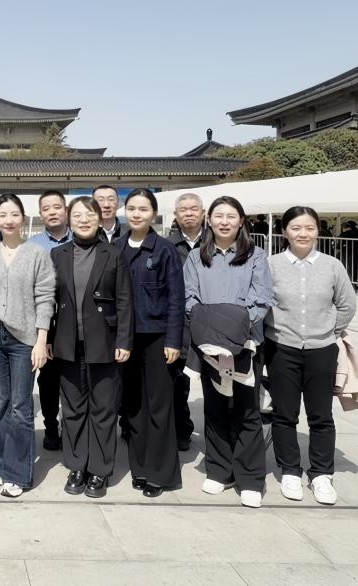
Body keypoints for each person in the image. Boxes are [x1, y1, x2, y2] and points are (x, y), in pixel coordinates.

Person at [184, 195, 274, 508]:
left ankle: (250, 478)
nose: (224, 221)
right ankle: (220, 470)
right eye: (218, 215)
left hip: (246, 345)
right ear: (209, 220)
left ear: (241, 221)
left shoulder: (256, 256)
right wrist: (213, 333)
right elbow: (190, 298)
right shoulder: (196, 256)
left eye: (231, 216)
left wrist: (232, 331)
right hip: (209, 347)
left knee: (247, 410)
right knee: (216, 408)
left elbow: (261, 299)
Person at [265, 206, 356, 506]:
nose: (302, 234)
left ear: (318, 230)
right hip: (281, 348)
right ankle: (290, 470)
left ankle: (321, 474)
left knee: (321, 415)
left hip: (321, 349)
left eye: (309, 228)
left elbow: (347, 304)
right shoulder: (271, 265)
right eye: (295, 228)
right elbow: (263, 303)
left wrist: (329, 331)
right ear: (284, 232)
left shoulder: (332, 266)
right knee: (284, 414)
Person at [50, 196, 134, 499]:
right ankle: (76, 466)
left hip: (105, 343)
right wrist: (48, 339)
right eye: (77, 215)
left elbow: (125, 300)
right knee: (72, 408)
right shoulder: (58, 254)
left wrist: (124, 340)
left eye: (90, 214)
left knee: (103, 409)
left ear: (100, 218)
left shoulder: (113, 254)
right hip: (67, 343)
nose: (84, 220)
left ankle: (99, 469)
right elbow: (48, 300)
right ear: (69, 220)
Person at [0, 194, 55, 498]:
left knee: (21, 407)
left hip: (24, 338)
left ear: (23, 218)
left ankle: (19, 473)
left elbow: (45, 298)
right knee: (0, 403)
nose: (9, 220)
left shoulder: (37, 254)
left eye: (14, 214)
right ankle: (2, 464)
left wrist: (41, 340)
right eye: (3, 215)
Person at [115, 189, 184, 498]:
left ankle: (160, 473)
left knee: (159, 405)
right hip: (125, 339)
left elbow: (176, 298)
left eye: (143, 209)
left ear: (154, 214)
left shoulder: (165, 249)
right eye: (132, 208)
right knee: (133, 406)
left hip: (158, 338)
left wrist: (173, 339)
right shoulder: (116, 248)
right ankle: (140, 468)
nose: (136, 214)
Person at [28, 190, 71, 452]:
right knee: (48, 380)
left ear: (66, 210)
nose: (52, 212)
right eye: (46, 208)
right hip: (46, 324)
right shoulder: (32, 245)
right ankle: (51, 427)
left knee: (74, 383)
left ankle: (72, 429)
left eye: (57, 207)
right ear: (40, 213)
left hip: (74, 323)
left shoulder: (81, 238)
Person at [166, 193, 204, 451]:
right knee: (178, 384)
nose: (188, 213)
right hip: (179, 326)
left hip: (212, 324)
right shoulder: (167, 245)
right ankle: (181, 430)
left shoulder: (216, 241)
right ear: (176, 215)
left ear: (203, 213)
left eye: (193, 209)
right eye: (183, 210)